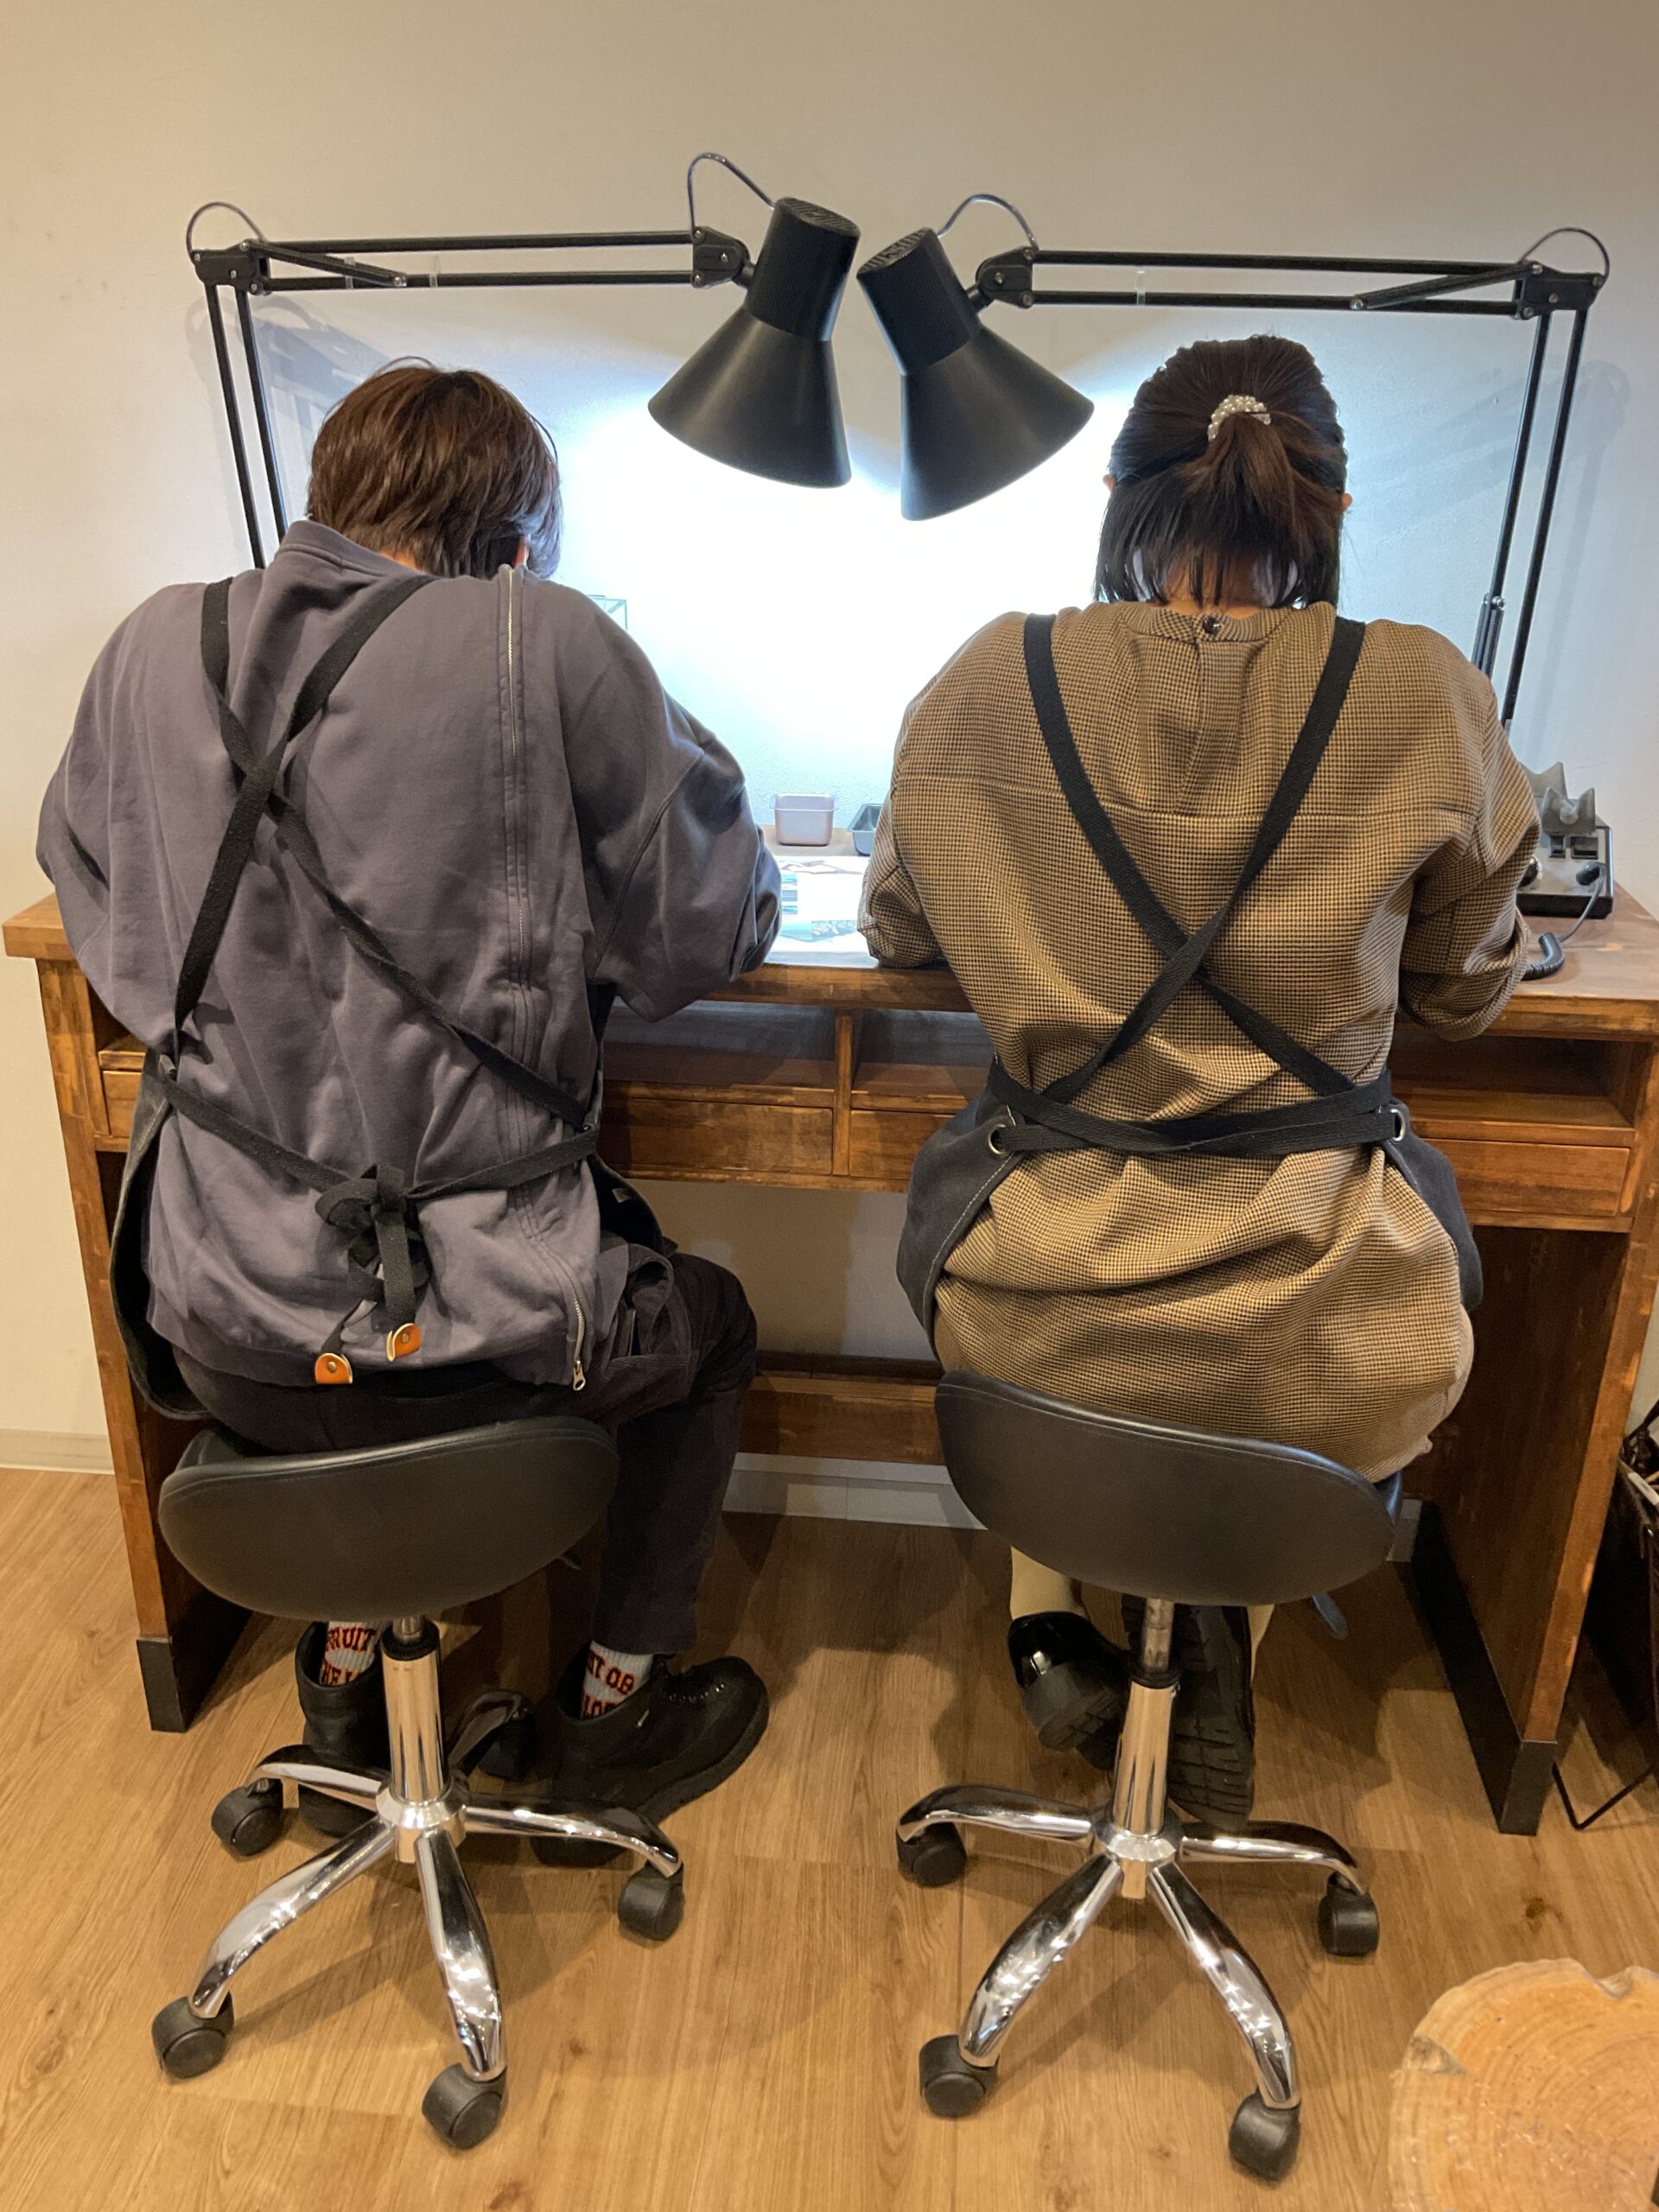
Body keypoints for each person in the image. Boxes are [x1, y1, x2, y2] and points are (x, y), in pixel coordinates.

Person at [39, 364, 781, 1833]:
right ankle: (616, 1704)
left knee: (330, 1380)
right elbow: (709, 931)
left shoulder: (148, 643)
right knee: (707, 1329)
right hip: (483, 1342)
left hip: (221, 1330)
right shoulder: (541, 639)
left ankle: (346, 1681)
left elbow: (103, 922)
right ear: (516, 544)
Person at [860, 335, 1537, 1827]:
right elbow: (1465, 990)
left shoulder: (988, 679)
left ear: (1120, 498)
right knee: (1310, 1374)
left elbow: (900, 933)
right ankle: (1220, 1637)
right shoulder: (1426, 690)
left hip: (1044, 1312)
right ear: (1328, 509)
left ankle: (1048, 1624)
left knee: (1035, 1272)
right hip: (1324, 1312)